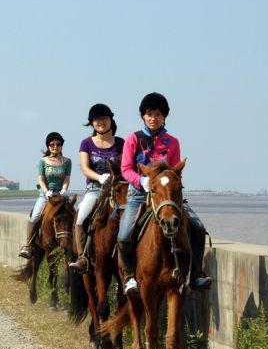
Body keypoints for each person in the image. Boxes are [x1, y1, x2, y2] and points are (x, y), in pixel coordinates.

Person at [116, 92, 212, 296]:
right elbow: (125, 169)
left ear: (164, 117)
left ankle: (196, 273)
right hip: (139, 195)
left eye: (158, 114)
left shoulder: (172, 142)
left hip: (167, 196)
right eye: (150, 114)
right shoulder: (133, 139)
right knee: (124, 234)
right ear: (143, 116)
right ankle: (130, 277)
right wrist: (141, 180)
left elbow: (175, 171)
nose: (154, 118)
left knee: (198, 226)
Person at [68, 104, 125, 272]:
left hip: (117, 188)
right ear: (92, 123)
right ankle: (83, 257)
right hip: (95, 188)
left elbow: (126, 166)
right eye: (97, 119)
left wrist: (115, 179)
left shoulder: (121, 143)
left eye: (104, 118)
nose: (101, 122)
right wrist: (99, 177)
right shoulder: (86, 143)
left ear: (110, 120)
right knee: (81, 218)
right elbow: (85, 168)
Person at [19, 132, 72, 259]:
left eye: (58, 144)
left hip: (60, 195)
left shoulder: (67, 161)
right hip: (46, 195)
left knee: (72, 215)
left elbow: (66, 178)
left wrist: (64, 189)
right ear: (48, 146)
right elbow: (41, 180)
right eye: (52, 144)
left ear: (62, 146)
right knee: (36, 216)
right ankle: (29, 245)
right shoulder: (43, 161)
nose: (55, 146)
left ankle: (73, 246)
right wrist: (46, 191)